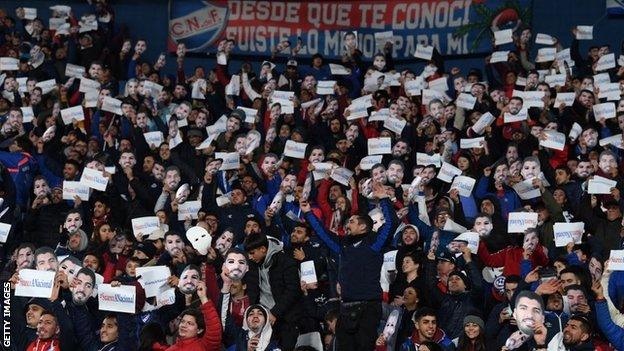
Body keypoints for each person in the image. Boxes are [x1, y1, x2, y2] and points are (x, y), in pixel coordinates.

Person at [301, 181, 393, 351]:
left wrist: (384, 200)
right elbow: (324, 234)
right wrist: (308, 213)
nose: (347, 225)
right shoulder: (343, 247)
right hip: (346, 307)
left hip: (369, 308)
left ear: (363, 226)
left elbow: (389, 225)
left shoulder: (374, 243)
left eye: (351, 222)